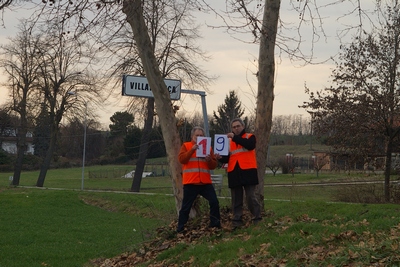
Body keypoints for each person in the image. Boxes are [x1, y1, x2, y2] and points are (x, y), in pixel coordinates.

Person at [216, 118, 261, 228]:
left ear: (243, 126)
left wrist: (234, 137)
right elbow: (228, 158)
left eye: (238, 126)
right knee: (236, 198)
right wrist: (219, 158)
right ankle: (237, 220)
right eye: (234, 127)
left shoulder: (250, 137)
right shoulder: (229, 141)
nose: (236, 128)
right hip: (234, 171)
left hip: (248, 170)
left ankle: (257, 217)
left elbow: (250, 145)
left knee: (250, 196)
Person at [177, 126, 221, 233]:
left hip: (205, 182)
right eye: (197, 135)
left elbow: (213, 166)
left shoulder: (208, 148)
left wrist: (210, 160)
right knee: (186, 207)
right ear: (192, 136)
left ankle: (215, 224)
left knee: (214, 202)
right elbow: (182, 159)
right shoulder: (186, 146)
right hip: (191, 182)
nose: (199, 137)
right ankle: (180, 228)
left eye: (201, 135)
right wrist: (192, 150)